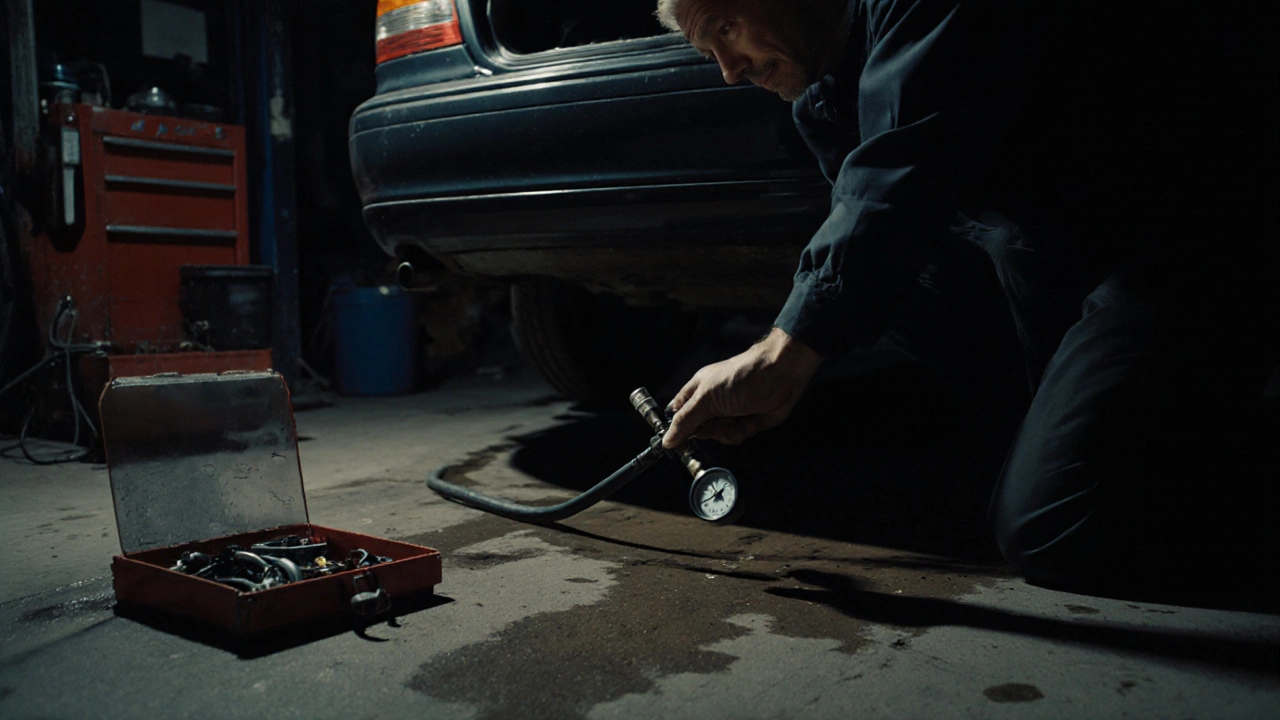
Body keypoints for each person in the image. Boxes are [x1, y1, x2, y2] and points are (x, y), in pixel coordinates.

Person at [654, 0, 1278, 599]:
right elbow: (879, 245)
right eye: (708, 50)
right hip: (1062, 254)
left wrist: (778, 359)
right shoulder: (821, 100)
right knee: (893, 287)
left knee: (1051, 529)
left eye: (727, 28)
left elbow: (897, 182)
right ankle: (1104, 434)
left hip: (1190, 234)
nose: (730, 69)